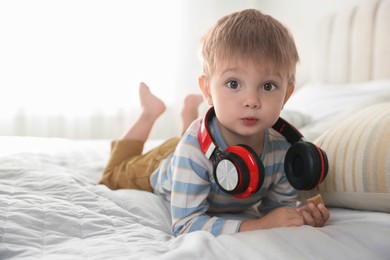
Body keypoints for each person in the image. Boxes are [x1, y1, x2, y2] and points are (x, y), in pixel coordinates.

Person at [100, 9, 330, 237]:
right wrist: (257, 226)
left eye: (268, 86)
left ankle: (188, 112)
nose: (251, 101)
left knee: (187, 143)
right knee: (112, 174)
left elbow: (275, 212)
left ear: (287, 95)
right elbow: (185, 224)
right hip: (168, 161)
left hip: (200, 141)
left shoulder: (283, 153)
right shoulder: (192, 151)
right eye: (233, 84)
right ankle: (150, 112)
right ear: (207, 90)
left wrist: (301, 216)